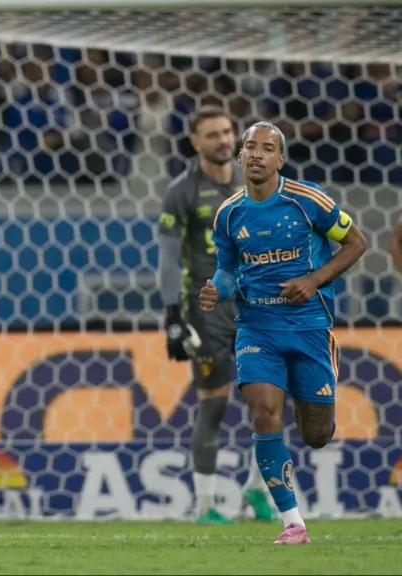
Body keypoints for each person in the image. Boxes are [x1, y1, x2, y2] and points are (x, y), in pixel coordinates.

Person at [201, 121, 367, 544]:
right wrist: (215, 289)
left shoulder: (308, 201)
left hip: (310, 325)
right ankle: (294, 522)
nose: (255, 154)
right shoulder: (228, 214)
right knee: (262, 411)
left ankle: (306, 395)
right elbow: (228, 268)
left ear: (280, 159)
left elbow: (356, 243)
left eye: (266, 148)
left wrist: (313, 280)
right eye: (249, 147)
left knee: (315, 435)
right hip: (257, 326)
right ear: (240, 156)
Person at [157, 106, 274, 525]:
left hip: (259, 303)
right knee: (214, 405)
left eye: (228, 132)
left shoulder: (257, 182)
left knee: (274, 401)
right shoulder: (182, 190)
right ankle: (205, 506)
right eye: (213, 135)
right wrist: (172, 317)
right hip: (205, 308)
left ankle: (258, 490)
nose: (224, 140)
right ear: (195, 142)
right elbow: (168, 260)